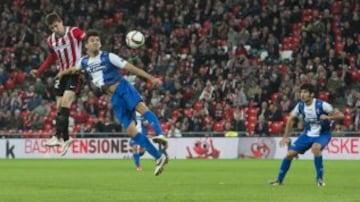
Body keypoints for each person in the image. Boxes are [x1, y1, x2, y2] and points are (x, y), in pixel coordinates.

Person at [57, 30, 168, 175]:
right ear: (86, 45)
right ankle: (159, 157)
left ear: (100, 44)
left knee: (141, 108)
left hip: (122, 88)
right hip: (114, 99)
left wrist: (151, 78)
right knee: (132, 132)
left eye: (97, 40)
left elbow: (130, 68)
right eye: (92, 40)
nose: (95, 42)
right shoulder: (83, 62)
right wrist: (62, 73)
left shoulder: (109, 56)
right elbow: (74, 68)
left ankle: (160, 134)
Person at [30, 12, 86, 156]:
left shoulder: (74, 32)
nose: (55, 29)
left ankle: (57, 136)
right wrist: (40, 71)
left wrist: (89, 59)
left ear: (61, 22)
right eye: (52, 28)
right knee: (59, 107)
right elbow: (52, 57)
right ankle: (65, 138)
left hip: (75, 73)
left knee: (66, 102)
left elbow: (86, 40)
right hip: (61, 75)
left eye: (56, 26)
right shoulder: (51, 41)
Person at [270, 84, 344, 186]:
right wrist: (285, 137)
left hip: (323, 134)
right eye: (301, 92)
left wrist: (328, 118)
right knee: (289, 154)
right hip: (307, 134)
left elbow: (341, 115)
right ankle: (279, 180)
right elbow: (291, 119)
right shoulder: (300, 106)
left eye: (305, 92)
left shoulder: (322, 105)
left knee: (316, 148)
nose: (302, 94)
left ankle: (319, 179)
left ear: (312, 94)